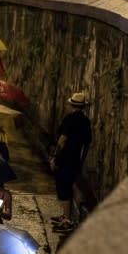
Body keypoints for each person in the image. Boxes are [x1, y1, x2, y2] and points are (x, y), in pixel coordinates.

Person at [50, 91, 92, 234]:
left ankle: (66, 220)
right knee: (68, 186)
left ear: (72, 105)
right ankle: (65, 216)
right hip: (75, 160)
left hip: (65, 158)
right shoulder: (86, 122)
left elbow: (62, 140)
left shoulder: (69, 119)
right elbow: (87, 144)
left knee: (63, 188)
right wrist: (81, 160)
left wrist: (55, 157)